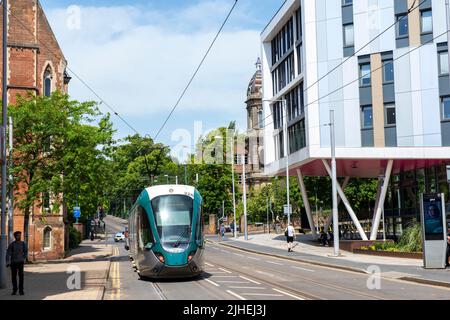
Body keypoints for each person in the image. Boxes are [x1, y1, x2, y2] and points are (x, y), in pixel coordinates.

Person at [6, 231, 28, 296]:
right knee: (14, 277)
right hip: (13, 263)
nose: (19, 236)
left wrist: (24, 258)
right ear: (15, 236)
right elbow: (8, 253)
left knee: (21, 276)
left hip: (20, 262)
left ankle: (21, 290)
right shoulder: (12, 244)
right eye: (18, 235)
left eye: (20, 235)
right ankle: (14, 290)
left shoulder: (23, 244)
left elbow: (26, 251)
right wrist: (7, 262)